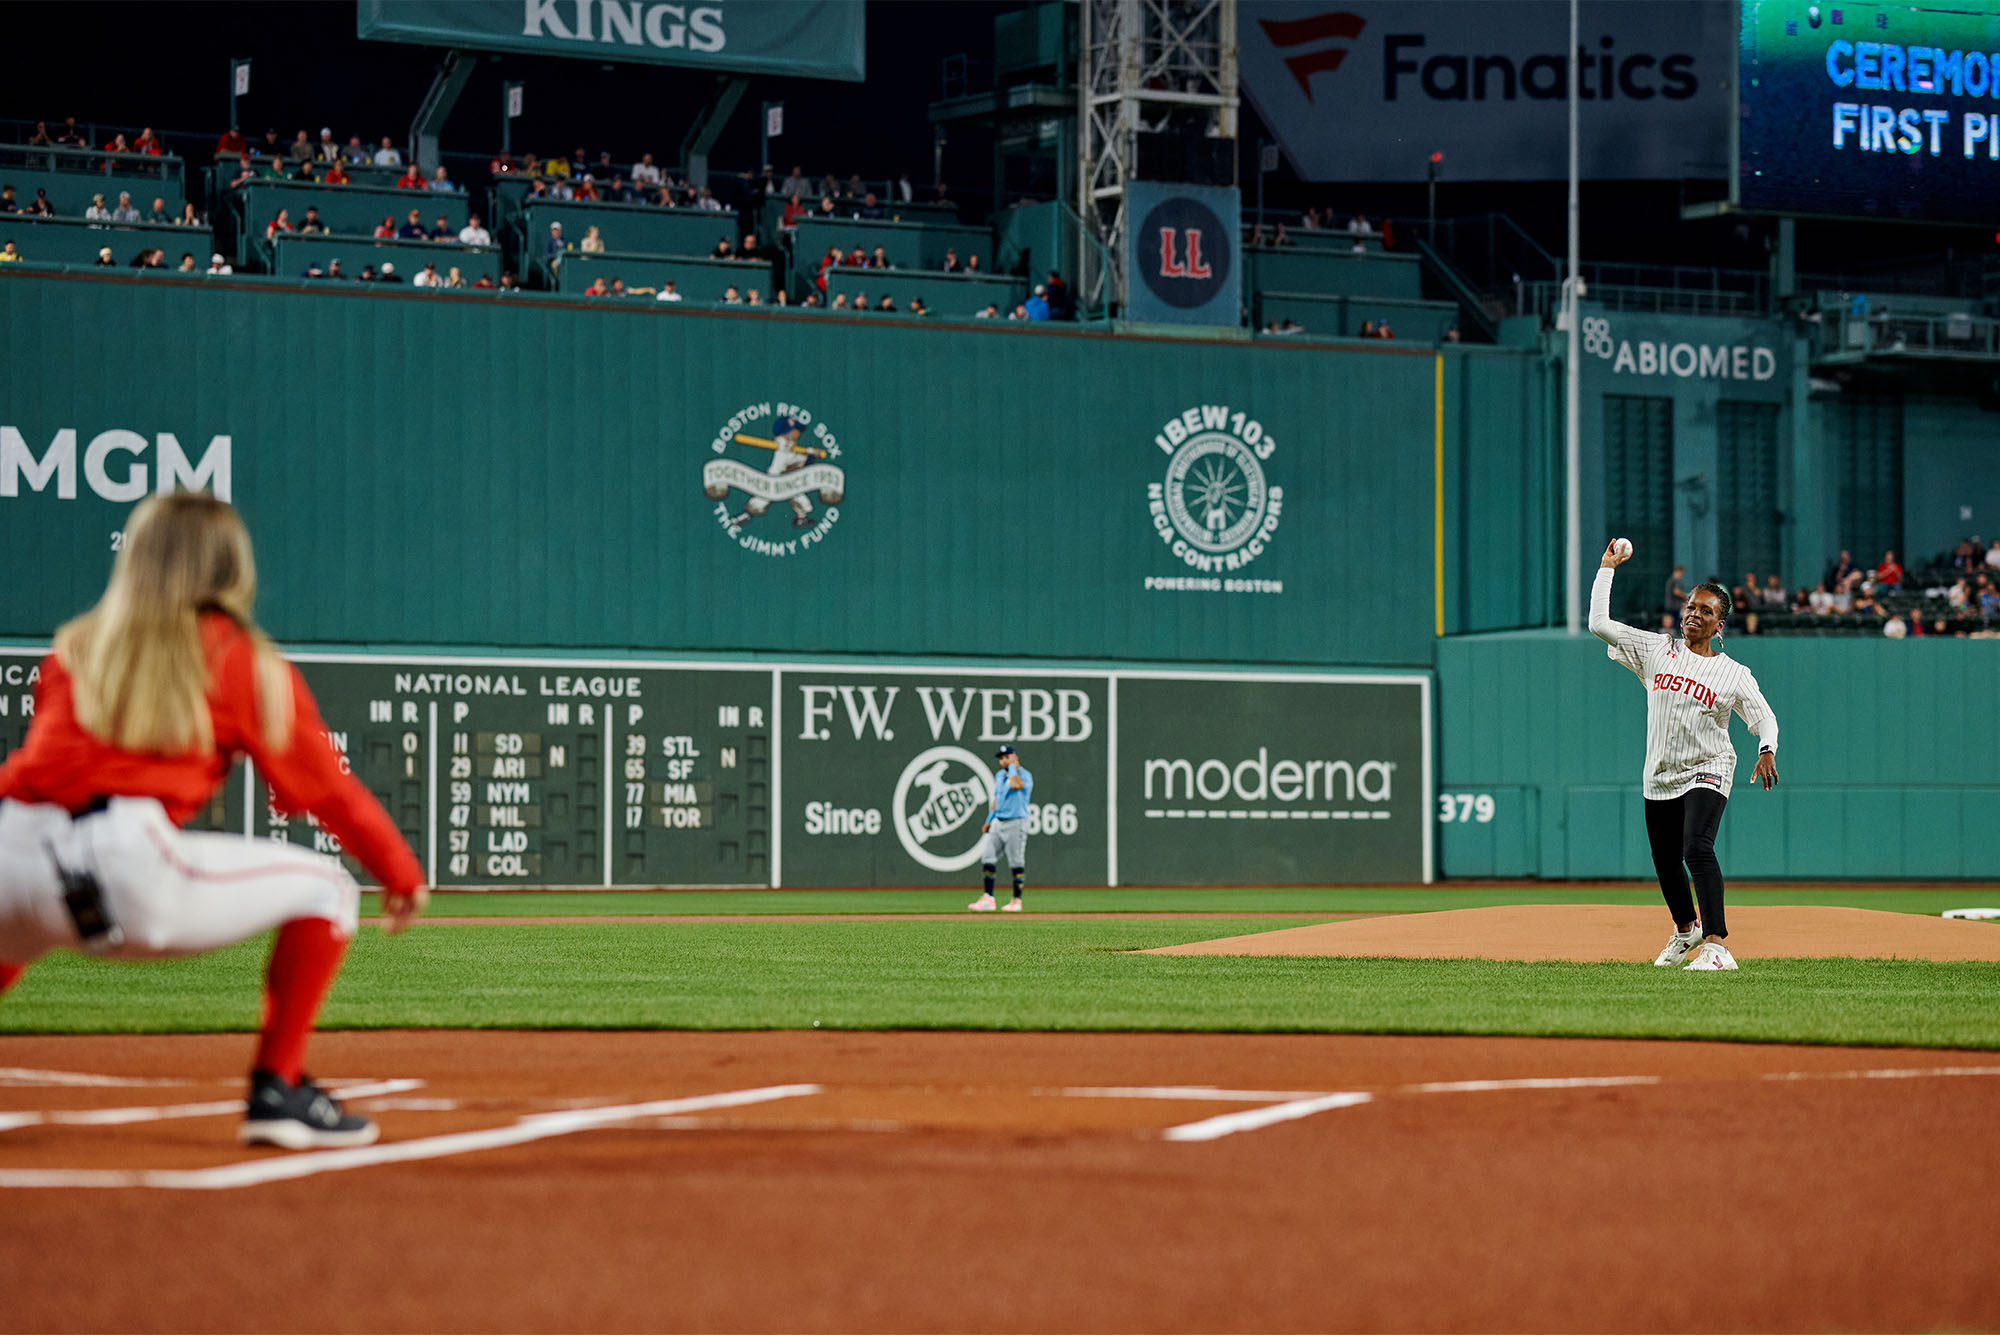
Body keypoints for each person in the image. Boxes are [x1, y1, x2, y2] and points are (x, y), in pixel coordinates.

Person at [0, 493, 430, 1148]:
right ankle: (278, 1088)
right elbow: (328, 791)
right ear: (232, 566)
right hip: (120, 859)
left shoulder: (76, 645)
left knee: (11, 934)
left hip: (10, 845)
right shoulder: (235, 655)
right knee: (329, 887)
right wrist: (399, 870)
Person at [1590, 539, 1779, 972]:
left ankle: (1716, 946)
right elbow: (1599, 623)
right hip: (1660, 772)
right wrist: (1607, 568)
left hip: (1709, 767)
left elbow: (1764, 719)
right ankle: (1685, 929)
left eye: (1706, 611)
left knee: (1697, 847)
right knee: (1664, 859)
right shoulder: (1657, 651)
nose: (1695, 613)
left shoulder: (1733, 673)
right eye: (1692, 606)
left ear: (1720, 625)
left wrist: (1766, 750)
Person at [969, 745, 1033, 913]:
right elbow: (997, 799)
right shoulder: (999, 775)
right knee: (988, 857)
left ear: (1014, 757)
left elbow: (1016, 785)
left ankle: (1016, 900)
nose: (1002, 761)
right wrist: (989, 819)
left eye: (1006, 757)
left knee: (1016, 862)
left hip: (1016, 822)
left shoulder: (1024, 775)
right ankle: (988, 898)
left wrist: (1013, 767)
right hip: (999, 821)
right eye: (1001, 758)